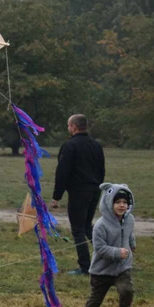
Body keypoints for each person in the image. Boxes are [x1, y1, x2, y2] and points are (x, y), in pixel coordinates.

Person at [50, 114, 105, 276]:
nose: (68, 128)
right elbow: (101, 170)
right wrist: (97, 186)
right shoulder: (96, 145)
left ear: (74, 127)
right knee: (88, 226)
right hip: (95, 190)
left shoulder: (70, 146)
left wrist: (56, 196)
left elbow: (62, 172)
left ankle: (85, 266)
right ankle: (108, 257)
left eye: (68, 126)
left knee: (78, 229)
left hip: (79, 192)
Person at [82, 183, 137, 307]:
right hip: (101, 271)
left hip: (122, 268)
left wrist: (132, 243)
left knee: (127, 290)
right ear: (109, 203)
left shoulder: (129, 220)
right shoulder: (100, 225)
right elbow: (99, 248)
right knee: (95, 300)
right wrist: (116, 252)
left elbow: (128, 233)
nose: (122, 205)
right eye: (118, 202)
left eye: (125, 202)